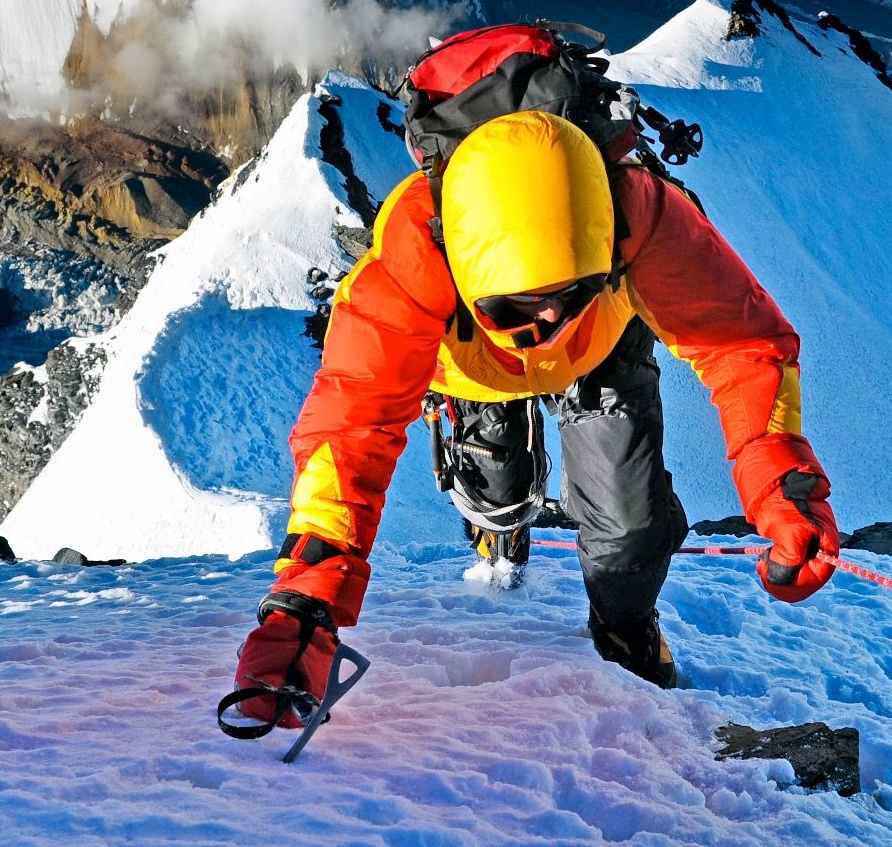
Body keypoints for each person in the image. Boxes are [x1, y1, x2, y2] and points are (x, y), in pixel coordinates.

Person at [232, 60, 838, 725]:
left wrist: (778, 479)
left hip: (601, 347)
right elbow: (352, 427)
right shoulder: (409, 265)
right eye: (519, 308)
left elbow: (739, 342)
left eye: (566, 294)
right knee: (499, 490)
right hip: (477, 367)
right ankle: (500, 526)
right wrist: (305, 598)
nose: (547, 324)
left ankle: (622, 625)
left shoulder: (640, 213)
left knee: (629, 530)